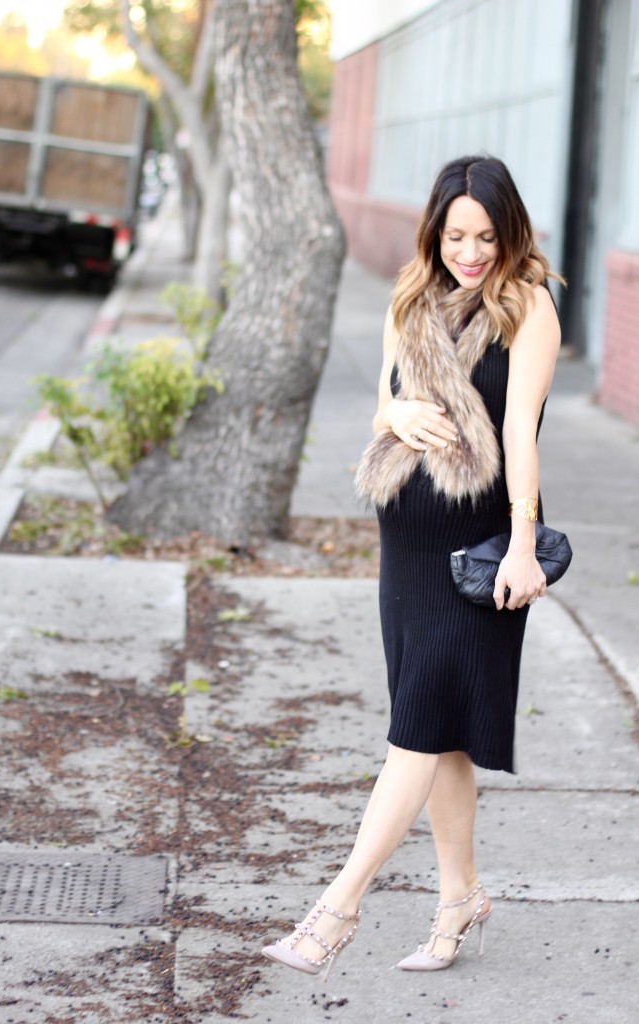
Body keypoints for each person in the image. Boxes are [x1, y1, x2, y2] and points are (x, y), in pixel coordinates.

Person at [261, 155, 562, 978]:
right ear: (435, 232)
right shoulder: (411, 297)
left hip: (478, 553)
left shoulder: (527, 308)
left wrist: (526, 548)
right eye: (456, 236)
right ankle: (459, 896)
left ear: (510, 236)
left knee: (414, 733)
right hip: (408, 541)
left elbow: (522, 436)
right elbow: (382, 406)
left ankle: (336, 910)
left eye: (487, 238)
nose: (470, 252)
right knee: (439, 739)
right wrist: (392, 407)